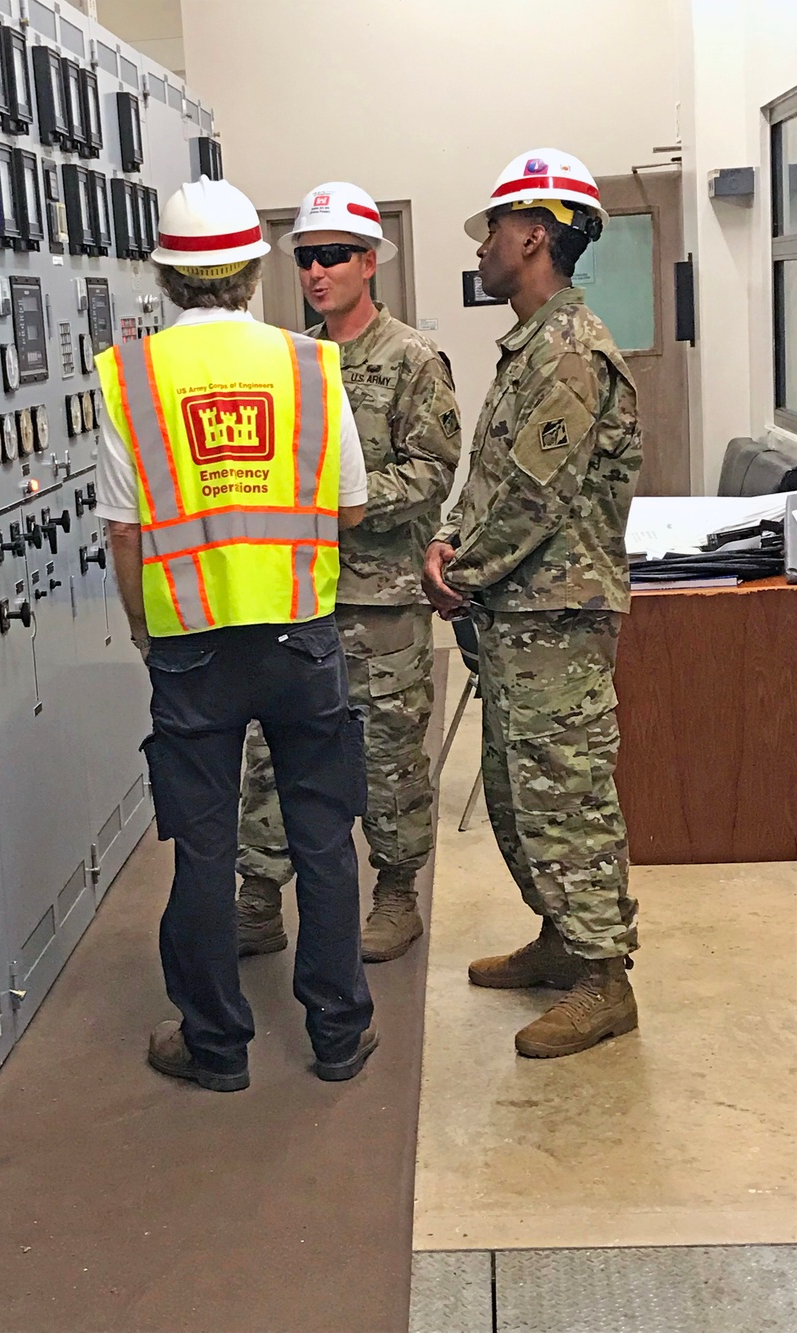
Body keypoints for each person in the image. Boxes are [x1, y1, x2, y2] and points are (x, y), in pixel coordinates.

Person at [94, 176, 378, 1090]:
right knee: (326, 839)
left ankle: (216, 1046)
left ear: (168, 275)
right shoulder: (307, 365)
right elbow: (353, 502)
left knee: (206, 851)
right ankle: (337, 1036)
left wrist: (148, 632)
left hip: (192, 647)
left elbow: (126, 532)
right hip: (302, 635)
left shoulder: (131, 374)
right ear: (255, 269)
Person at [422, 148, 642, 1059]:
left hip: (556, 619)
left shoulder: (572, 353)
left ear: (535, 235)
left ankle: (604, 976)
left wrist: (461, 569)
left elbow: (533, 498)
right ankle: (561, 938)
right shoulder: (530, 345)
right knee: (520, 794)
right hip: (518, 617)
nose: (482, 248)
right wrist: (450, 543)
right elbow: (492, 476)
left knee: (570, 796)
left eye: (493, 232)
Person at [237, 182, 462, 963]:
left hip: (381, 598)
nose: (317, 271)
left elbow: (432, 472)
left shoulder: (412, 360)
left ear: (370, 262)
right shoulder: (292, 360)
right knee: (273, 749)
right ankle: (259, 897)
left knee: (389, 751)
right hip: (297, 594)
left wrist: (349, 508)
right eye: (306, 257)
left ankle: (397, 893)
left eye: (334, 255)